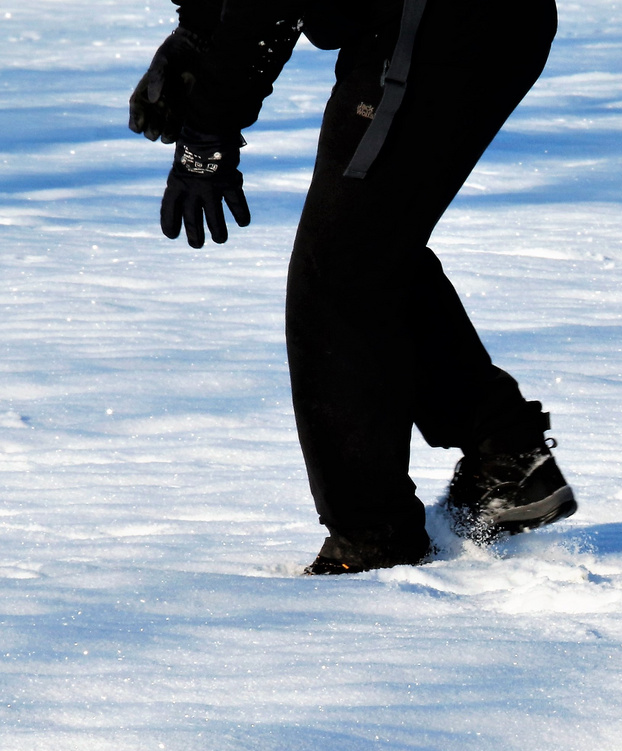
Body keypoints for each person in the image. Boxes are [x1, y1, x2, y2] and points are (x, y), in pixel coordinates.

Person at [129, 0, 576, 574]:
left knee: (339, 270)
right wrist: (198, 33)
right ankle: (507, 461)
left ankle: (373, 537)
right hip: (418, 25)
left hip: (441, 22)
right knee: (367, 250)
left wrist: (209, 131)